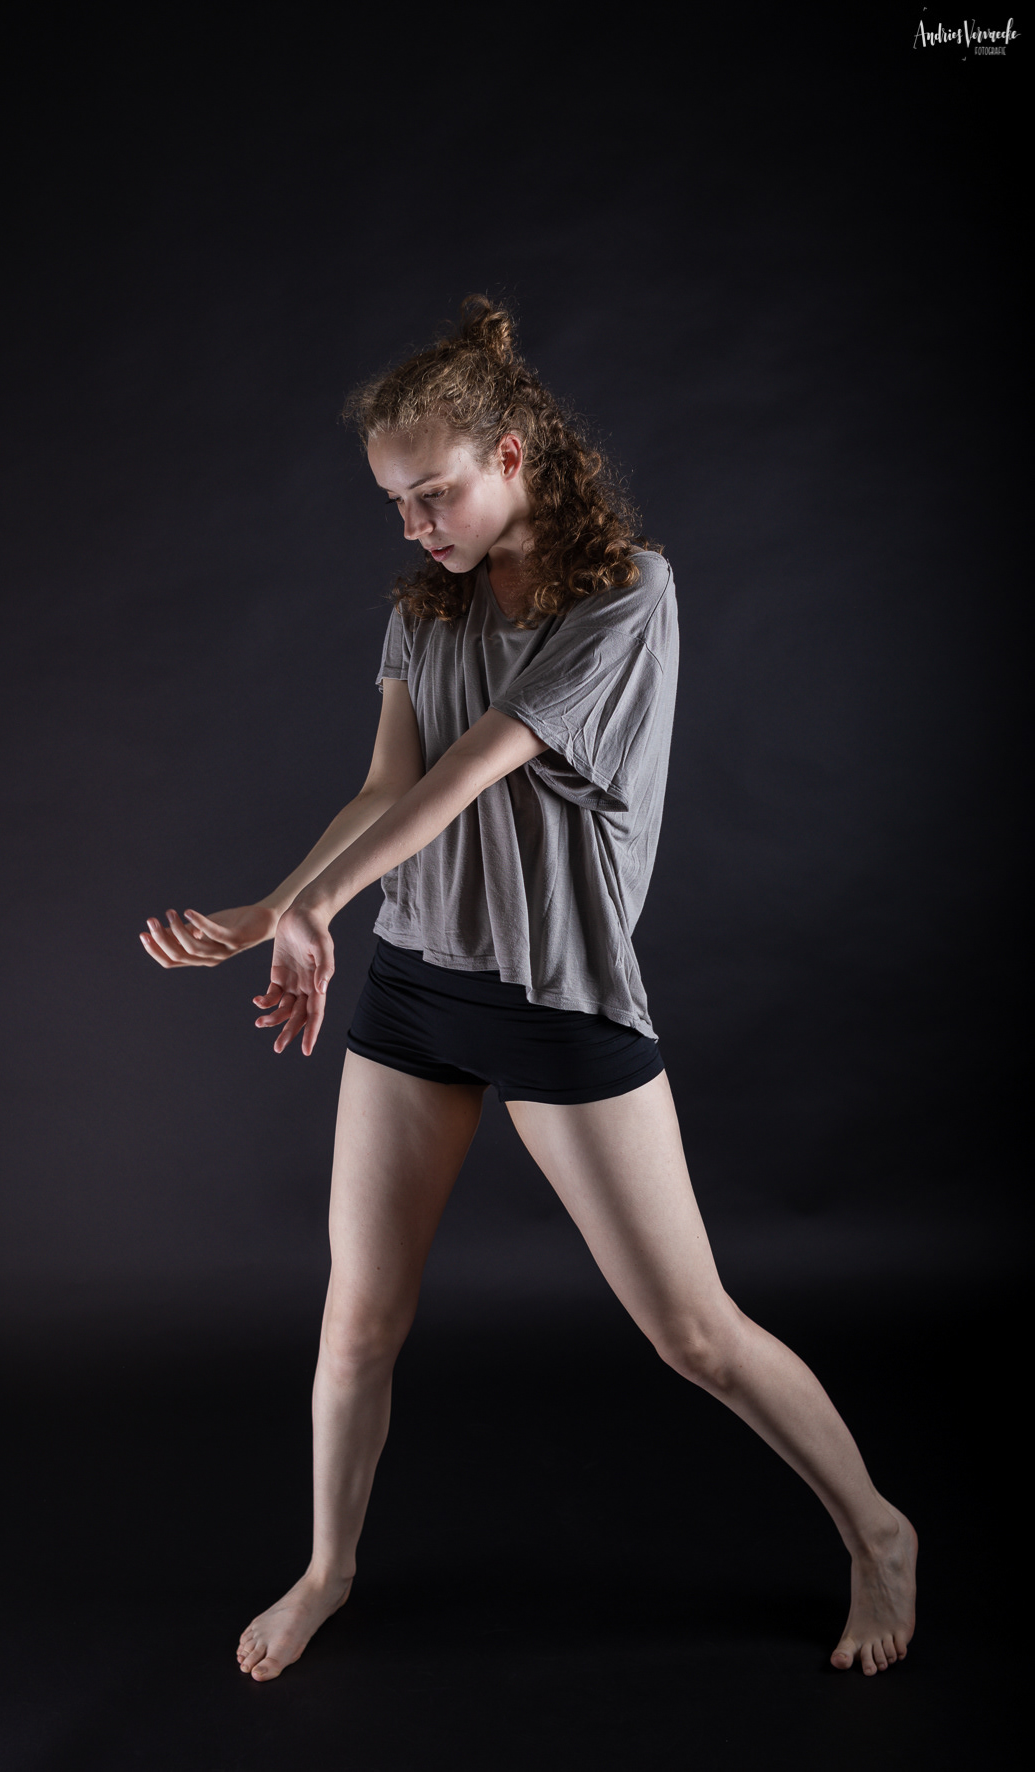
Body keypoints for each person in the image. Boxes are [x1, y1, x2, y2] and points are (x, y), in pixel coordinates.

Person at [140, 297, 917, 1682]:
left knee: (694, 1336)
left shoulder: (628, 596)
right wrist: (274, 909)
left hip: (559, 997)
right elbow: (383, 785)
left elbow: (466, 773)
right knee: (356, 1319)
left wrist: (315, 910)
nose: (414, 525)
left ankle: (878, 1532)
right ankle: (327, 1569)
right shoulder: (424, 606)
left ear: (512, 456)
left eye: (433, 493)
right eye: (394, 504)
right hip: (417, 985)